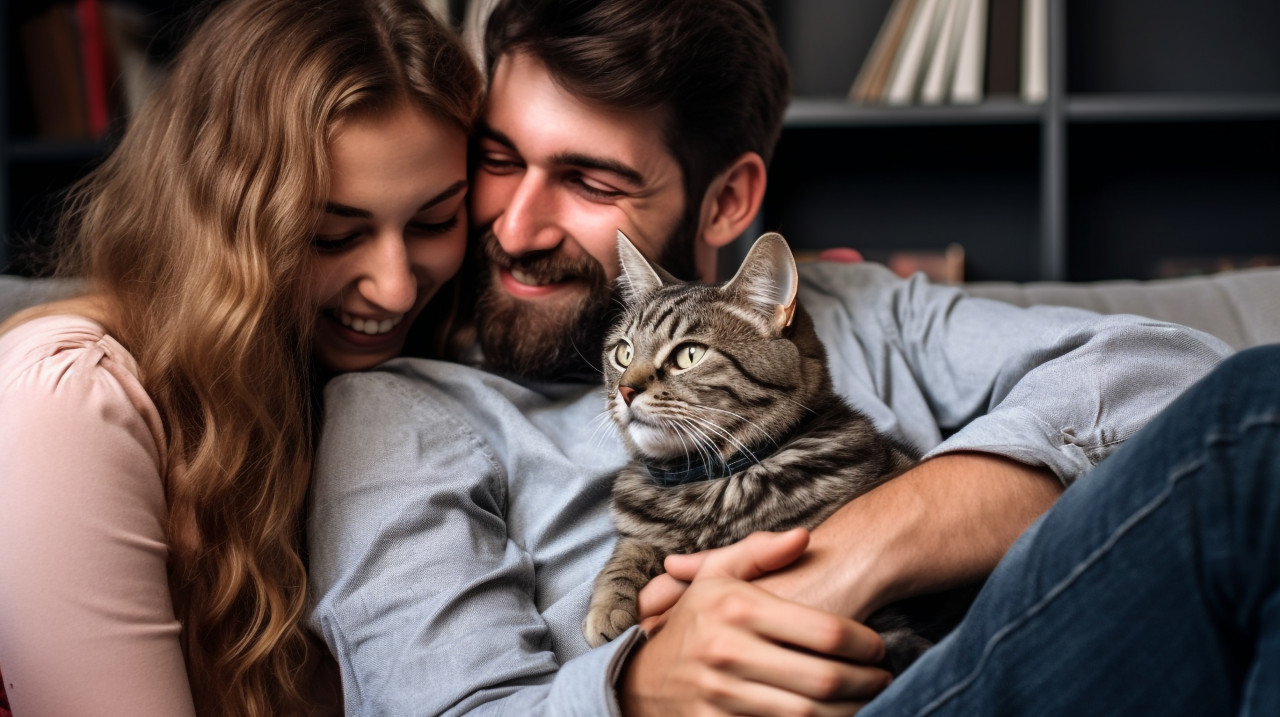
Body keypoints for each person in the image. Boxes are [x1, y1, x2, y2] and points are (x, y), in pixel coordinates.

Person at [304, 0, 1241, 714]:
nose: (512, 226)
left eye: (590, 180)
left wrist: (850, 555)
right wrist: (633, 689)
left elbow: (1180, 383)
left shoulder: (857, 309)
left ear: (727, 201)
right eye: (499, 159)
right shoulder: (403, 411)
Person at [0, 0, 481, 715]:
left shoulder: (382, 376)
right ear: (224, 229)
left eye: (435, 221)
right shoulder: (69, 403)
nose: (396, 285)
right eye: (329, 235)